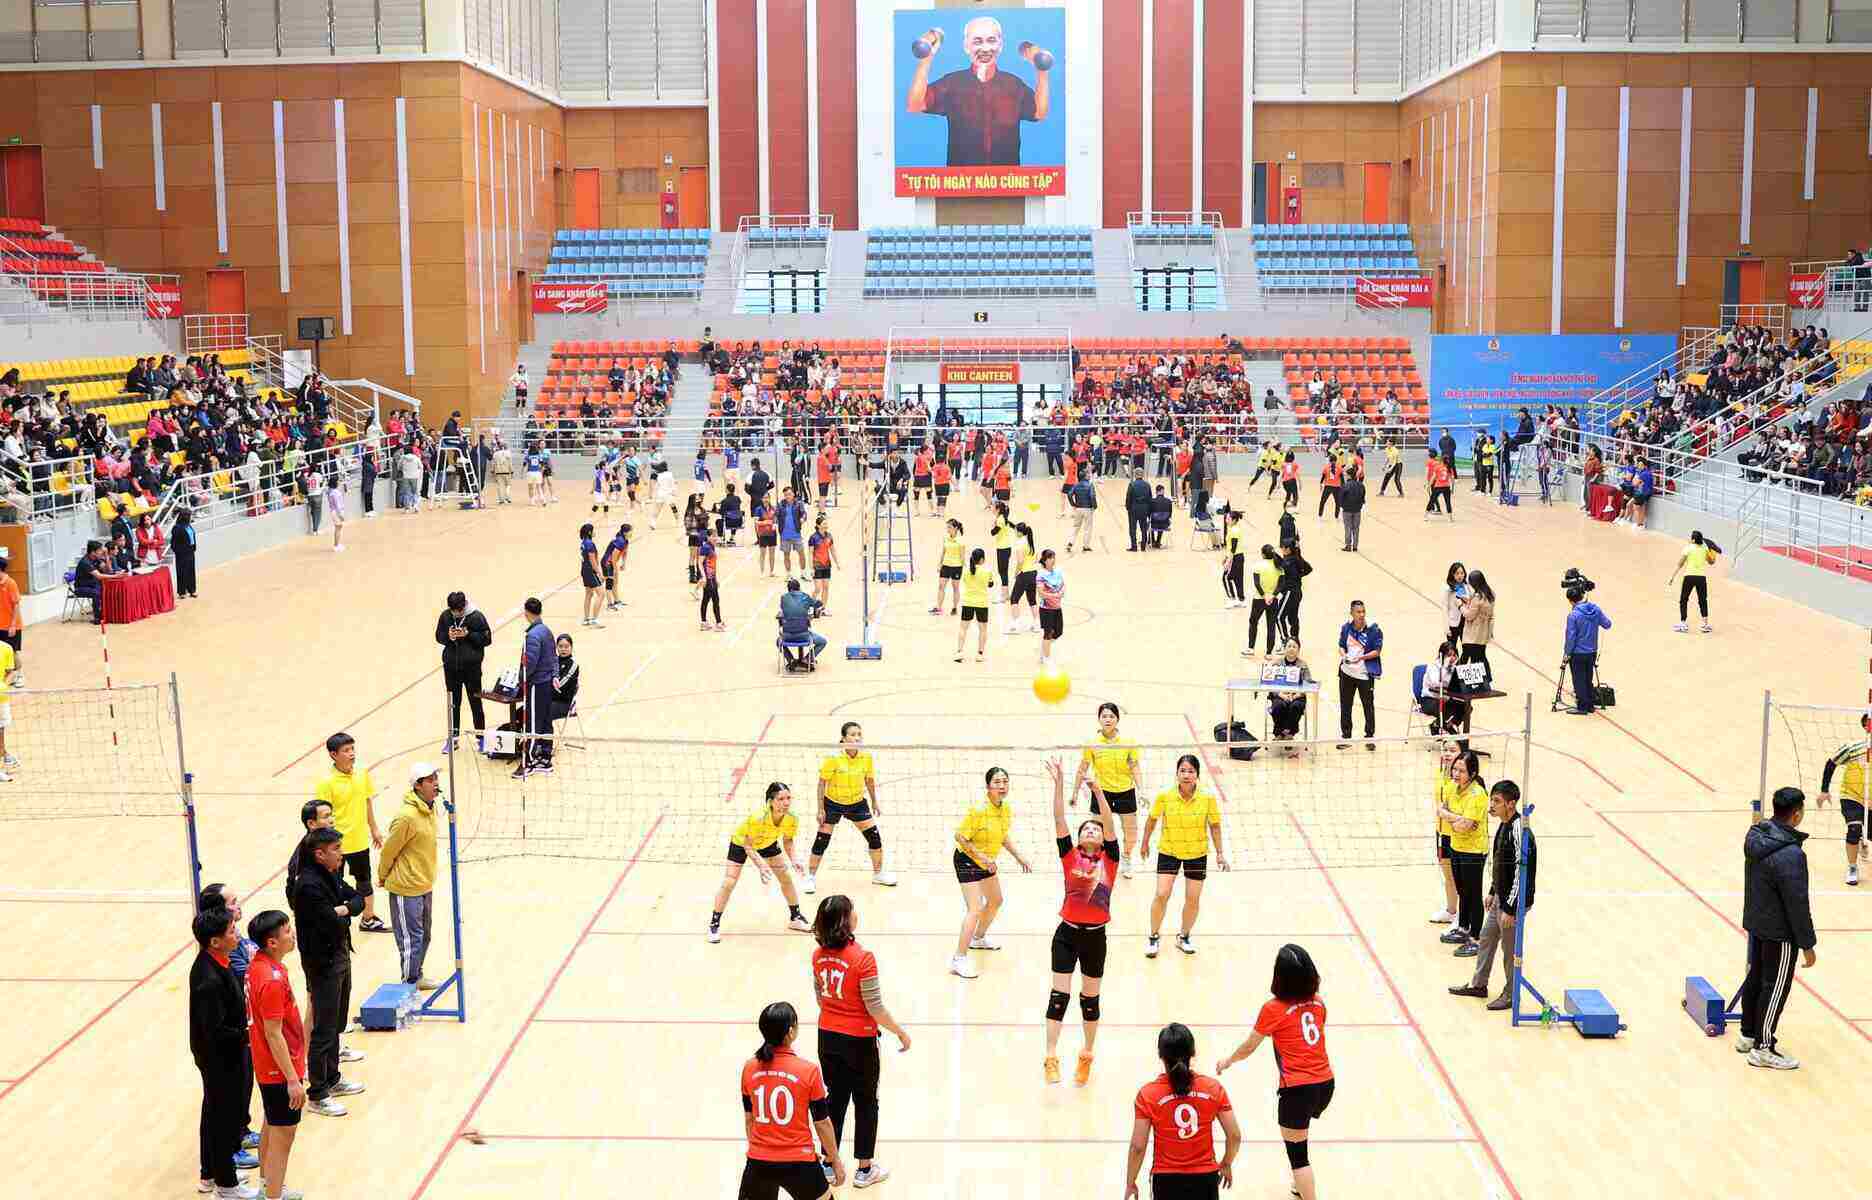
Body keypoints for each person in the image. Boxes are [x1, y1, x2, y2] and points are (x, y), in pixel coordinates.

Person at [1215, 945, 1335, 1200]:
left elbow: (1249, 1046)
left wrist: (1228, 1060)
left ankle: (1306, 1191)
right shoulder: (1319, 1003)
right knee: (1301, 1135)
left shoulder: (1273, 1009)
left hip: (1297, 1090)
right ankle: (1300, 1185)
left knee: (1298, 1155)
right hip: (1325, 1085)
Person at [810, 895, 911, 1190]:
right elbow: (875, 1007)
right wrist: (900, 1032)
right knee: (866, 1102)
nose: (857, 914)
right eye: (853, 911)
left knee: (835, 1098)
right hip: (860, 1042)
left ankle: (829, 1164)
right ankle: (864, 1169)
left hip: (827, 1037)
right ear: (846, 920)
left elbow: (820, 997)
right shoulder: (863, 958)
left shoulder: (818, 956)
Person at [1041, 757, 1113, 1085]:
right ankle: (1051, 1057)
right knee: (1059, 997)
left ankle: (1086, 1055)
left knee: (1089, 1000)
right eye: (1086, 828)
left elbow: (1110, 824)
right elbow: (1058, 818)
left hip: (1096, 937)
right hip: (1066, 935)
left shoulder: (1110, 860)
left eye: (1095, 829)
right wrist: (1059, 784)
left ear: (1101, 839)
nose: (1091, 831)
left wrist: (1098, 792)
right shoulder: (1070, 856)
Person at [286, 828, 365, 1117]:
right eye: (336, 848)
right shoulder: (308, 885)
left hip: (340, 955)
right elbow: (330, 920)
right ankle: (318, 1092)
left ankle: (333, 1077)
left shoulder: (331, 875)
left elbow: (357, 899)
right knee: (323, 1027)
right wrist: (344, 911)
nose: (341, 853)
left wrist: (343, 909)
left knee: (337, 1021)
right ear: (319, 854)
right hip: (323, 964)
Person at [903, 15, 1051, 167]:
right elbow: (915, 104)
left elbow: (1039, 112)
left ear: (1000, 45)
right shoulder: (952, 83)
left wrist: (1041, 71)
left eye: (991, 40)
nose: (985, 48)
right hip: (961, 185)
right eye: (977, 41)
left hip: (1006, 185)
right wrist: (926, 60)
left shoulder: (1014, 85)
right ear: (967, 46)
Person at [1738, 786, 1817, 1070]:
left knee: (1756, 979)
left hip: (1757, 922)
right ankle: (1763, 1047)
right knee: (1775, 988)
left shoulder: (1756, 835)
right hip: (1780, 932)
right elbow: (1797, 903)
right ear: (1796, 815)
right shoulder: (1791, 855)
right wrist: (1807, 944)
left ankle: (1748, 1034)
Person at [738, 1001, 845, 1200]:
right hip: (800, 1162)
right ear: (790, 1032)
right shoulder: (808, 1071)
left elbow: (749, 1120)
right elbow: (822, 1123)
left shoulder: (749, 1068)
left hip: (759, 1163)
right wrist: (835, 1160)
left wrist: (763, 1150)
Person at [1125, 1023, 1242, 1200]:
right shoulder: (1213, 1088)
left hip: (1166, 1181)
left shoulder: (1148, 1094)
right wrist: (1226, 1163)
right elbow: (1234, 1136)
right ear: (1193, 1052)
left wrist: (1130, 1181)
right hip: (1206, 1180)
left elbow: (1138, 1147)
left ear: (1160, 1055)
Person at [1450, 780, 1533, 1011]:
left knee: (1509, 951)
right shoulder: (1503, 825)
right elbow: (1501, 866)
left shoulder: (1519, 831)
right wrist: (1493, 891)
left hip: (1512, 904)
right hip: (1501, 898)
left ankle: (1510, 994)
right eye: (1492, 800)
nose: (1492, 805)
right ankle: (1478, 985)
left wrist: (1509, 908)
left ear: (1511, 803)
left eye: (1497, 801)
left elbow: (1520, 871)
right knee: (1486, 938)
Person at [190, 905, 255, 1200]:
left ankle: (218, 1170)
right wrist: (248, 1035)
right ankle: (226, 1185)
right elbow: (214, 1031)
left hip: (230, 1051)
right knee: (222, 1118)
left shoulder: (219, 961)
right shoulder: (208, 979)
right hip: (220, 1057)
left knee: (225, 1115)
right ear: (214, 941)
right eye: (231, 931)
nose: (237, 934)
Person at [1139, 754, 1229, 958]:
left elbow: (1214, 826)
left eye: (1190, 771)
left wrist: (1220, 853)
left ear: (1197, 775)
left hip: (1197, 854)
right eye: (1183, 771)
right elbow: (1152, 821)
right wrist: (1144, 843)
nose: (1186, 775)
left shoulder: (1207, 798)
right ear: (1177, 773)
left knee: (1193, 899)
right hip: (1169, 851)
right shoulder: (1165, 795)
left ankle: (1184, 936)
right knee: (1162, 894)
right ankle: (1153, 936)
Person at [950, 765, 1035, 979]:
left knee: (996, 900)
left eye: (1005, 781)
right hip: (967, 860)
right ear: (988, 786)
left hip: (987, 863)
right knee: (975, 909)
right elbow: (960, 837)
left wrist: (1019, 856)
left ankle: (978, 938)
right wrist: (983, 858)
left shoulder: (1005, 809)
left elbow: (1002, 836)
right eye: (997, 782)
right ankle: (959, 958)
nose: (1002, 785)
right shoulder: (978, 810)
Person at [245, 911, 306, 1200]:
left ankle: (266, 1187)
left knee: (271, 1123)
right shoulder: (270, 979)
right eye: (285, 932)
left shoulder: (259, 966)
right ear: (271, 942)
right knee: (284, 1134)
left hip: (269, 1066)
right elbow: (273, 1032)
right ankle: (273, 1195)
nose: (291, 934)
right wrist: (292, 1079)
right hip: (279, 1069)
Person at [708, 781, 811, 942]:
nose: (786, 802)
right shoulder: (758, 818)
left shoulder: (792, 819)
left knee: (786, 877)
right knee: (729, 882)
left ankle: (795, 918)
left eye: (788, 798)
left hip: (767, 843)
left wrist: (794, 860)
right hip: (742, 843)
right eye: (781, 799)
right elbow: (748, 847)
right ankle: (714, 924)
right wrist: (762, 866)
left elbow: (788, 841)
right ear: (771, 801)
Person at [805, 722, 897, 893]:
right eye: (853, 734)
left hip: (857, 803)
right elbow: (821, 783)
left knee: (874, 838)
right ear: (843, 738)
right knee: (821, 841)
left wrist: (874, 801)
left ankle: (878, 874)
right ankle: (810, 877)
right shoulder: (833, 758)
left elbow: (869, 780)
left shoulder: (866, 757)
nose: (857, 738)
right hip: (833, 803)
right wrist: (820, 809)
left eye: (859, 734)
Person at [313, 732, 387, 933]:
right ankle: (334, 922)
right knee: (333, 885)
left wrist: (374, 829)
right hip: (335, 846)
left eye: (352, 749)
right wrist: (327, 844)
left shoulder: (362, 773)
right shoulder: (326, 782)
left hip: (360, 841)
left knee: (364, 882)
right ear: (333, 755)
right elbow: (321, 814)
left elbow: (367, 801)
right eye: (346, 750)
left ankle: (368, 918)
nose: (352, 754)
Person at [377, 762, 441, 989]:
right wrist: (382, 876)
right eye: (430, 780)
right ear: (418, 785)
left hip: (424, 883)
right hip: (405, 886)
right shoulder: (406, 817)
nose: (436, 783)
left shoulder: (431, 807)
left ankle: (417, 975)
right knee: (410, 940)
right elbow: (389, 850)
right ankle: (407, 985)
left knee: (425, 936)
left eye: (436, 778)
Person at [1071, 702, 1143, 878]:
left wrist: (1142, 790)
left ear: (1117, 719)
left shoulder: (1128, 742)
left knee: (1131, 834)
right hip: (1101, 793)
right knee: (1096, 833)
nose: (1108, 719)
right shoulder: (1092, 743)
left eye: (1111, 716)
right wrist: (1074, 793)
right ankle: (1094, 862)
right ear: (1099, 719)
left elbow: (1134, 766)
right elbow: (1082, 769)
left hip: (1126, 792)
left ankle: (1125, 857)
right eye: (1104, 716)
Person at [1435, 749, 1489, 957]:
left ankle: (1476, 938)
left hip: (1474, 851)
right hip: (1457, 847)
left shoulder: (1477, 795)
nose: (1456, 774)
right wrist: (1455, 817)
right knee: (1462, 890)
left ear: (1473, 774)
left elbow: (1463, 826)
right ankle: (1463, 928)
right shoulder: (1453, 788)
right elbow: (1443, 810)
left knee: (1473, 894)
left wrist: (1449, 816)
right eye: (1455, 769)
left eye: (1462, 771)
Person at [1817, 711, 1870, 886]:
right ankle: (1853, 867)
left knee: (1867, 832)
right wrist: (1824, 790)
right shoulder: (1853, 748)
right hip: (1852, 796)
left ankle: (1864, 838)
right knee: (1854, 828)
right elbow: (1831, 763)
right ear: (1866, 726)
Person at [436, 591, 492, 754]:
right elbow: (438, 636)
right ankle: (453, 739)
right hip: (451, 667)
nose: (455, 613)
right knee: (453, 703)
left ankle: (481, 738)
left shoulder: (476, 616)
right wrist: (449, 636)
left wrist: (469, 635)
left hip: (472, 668)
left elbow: (487, 639)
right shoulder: (445, 616)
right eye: (453, 611)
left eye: (458, 610)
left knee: (476, 703)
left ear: (464, 606)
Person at [517, 597, 557, 777]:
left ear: (526, 613)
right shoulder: (547, 631)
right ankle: (545, 756)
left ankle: (529, 761)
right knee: (546, 721)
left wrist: (522, 680)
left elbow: (529, 663)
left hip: (536, 684)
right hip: (547, 682)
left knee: (532, 722)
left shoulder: (532, 635)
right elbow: (554, 656)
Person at [1335, 600, 1382, 749]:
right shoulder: (1346, 628)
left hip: (1364, 675)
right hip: (1346, 673)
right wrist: (1344, 656)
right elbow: (1341, 646)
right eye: (1358, 612)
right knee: (1345, 705)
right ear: (1352, 613)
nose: (1361, 615)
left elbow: (1377, 651)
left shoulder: (1373, 629)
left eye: (1363, 611)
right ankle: (1346, 736)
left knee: (1368, 706)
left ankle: (1369, 737)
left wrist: (1360, 658)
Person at [1562, 586, 1612, 715]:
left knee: (1579, 680)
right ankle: (1590, 705)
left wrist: (1567, 653)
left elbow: (1571, 637)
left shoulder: (1573, 615)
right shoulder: (1595, 609)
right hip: (1592, 652)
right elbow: (1607, 624)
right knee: (1588, 678)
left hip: (1578, 653)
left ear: (1571, 601)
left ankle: (1582, 707)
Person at [1419, 639, 1474, 744]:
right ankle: (1451, 732)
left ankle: (1439, 725)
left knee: (1467, 708)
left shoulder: (1454, 668)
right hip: (1429, 700)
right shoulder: (1433, 667)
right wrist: (1445, 667)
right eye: (1449, 655)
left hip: (1445, 698)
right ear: (1442, 655)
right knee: (1445, 709)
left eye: (1454, 655)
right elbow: (1436, 683)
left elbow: (1455, 684)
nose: (1452, 658)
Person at [1666, 530, 1720, 634]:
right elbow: (1711, 562)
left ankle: (1683, 623)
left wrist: (1672, 576)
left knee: (1683, 599)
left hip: (1689, 577)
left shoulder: (1688, 548)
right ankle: (1705, 625)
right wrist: (1713, 552)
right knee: (1702, 600)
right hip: (1701, 578)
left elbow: (1680, 563)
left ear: (1693, 539)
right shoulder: (1704, 548)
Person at [777, 577, 827, 671]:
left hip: (787, 635)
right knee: (822, 641)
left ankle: (791, 660)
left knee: (778, 642)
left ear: (788, 589)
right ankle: (807, 659)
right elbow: (818, 604)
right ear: (799, 588)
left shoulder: (783, 598)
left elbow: (784, 610)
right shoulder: (805, 597)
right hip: (803, 635)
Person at [955, 547, 993, 663]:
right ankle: (979, 654)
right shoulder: (987, 572)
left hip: (968, 602)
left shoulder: (966, 571)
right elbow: (990, 584)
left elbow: (966, 582)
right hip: (982, 603)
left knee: (963, 628)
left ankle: (959, 652)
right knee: (982, 630)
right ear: (982, 559)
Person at [1459, 571, 1496, 688]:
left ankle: (1460, 683)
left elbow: (1470, 615)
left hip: (1472, 634)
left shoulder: (1477, 597)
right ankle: (1485, 682)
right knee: (1480, 657)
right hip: (1483, 633)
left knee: (1466, 658)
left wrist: (1461, 606)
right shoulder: (1490, 595)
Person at [1274, 541, 1310, 647]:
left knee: (1279, 617)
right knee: (1293, 617)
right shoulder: (1297, 558)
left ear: (1288, 549)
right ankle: (1295, 640)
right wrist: (1300, 575)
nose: (1281, 550)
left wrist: (1279, 591)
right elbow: (1308, 569)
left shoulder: (1288, 561)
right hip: (1297, 592)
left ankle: (1285, 641)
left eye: (1283, 548)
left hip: (1290, 592)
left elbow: (1285, 568)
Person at [1036, 549, 1066, 666]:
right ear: (1044, 560)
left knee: (1058, 631)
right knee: (1048, 633)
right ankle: (1046, 657)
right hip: (1046, 609)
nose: (1052, 560)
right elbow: (1041, 593)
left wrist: (1061, 592)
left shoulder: (1058, 571)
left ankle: (1044, 648)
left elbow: (1063, 585)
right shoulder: (1041, 575)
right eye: (1050, 558)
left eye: (1053, 557)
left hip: (1057, 607)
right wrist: (1055, 595)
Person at [931, 519, 964, 616]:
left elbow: (962, 557)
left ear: (956, 528)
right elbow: (943, 552)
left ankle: (954, 607)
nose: (947, 529)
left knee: (955, 588)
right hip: (945, 566)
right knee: (941, 586)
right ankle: (938, 607)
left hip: (956, 567)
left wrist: (963, 568)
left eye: (949, 527)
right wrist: (939, 564)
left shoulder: (961, 541)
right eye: (947, 527)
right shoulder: (946, 538)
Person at [808, 513, 837, 613]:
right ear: (818, 525)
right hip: (817, 565)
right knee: (817, 588)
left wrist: (837, 563)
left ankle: (823, 608)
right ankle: (810, 606)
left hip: (826, 565)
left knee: (826, 587)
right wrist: (811, 568)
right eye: (824, 524)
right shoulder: (813, 538)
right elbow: (810, 553)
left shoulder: (829, 536)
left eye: (826, 523)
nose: (826, 525)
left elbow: (833, 550)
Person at [578, 523, 606, 628]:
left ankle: (586, 619)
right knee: (601, 594)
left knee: (589, 594)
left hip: (584, 571)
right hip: (590, 571)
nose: (595, 532)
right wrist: (600, 574)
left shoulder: (584, 542)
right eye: (593, 530)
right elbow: (593, 561)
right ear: (589, 532)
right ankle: (594, 619)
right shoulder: (590, 544)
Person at [777, 487, 808, 576]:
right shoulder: (781, 504)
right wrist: (775, 522)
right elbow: (776, 514)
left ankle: (803, 573)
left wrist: (803, 518)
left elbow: (804, 514)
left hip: (796, 534)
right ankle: (788, 574)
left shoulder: (799, 503)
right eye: (786, 495)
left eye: (789, 494)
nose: (788, 496)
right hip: (784, 535)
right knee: (786, 555)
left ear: (793, 494)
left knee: (801, 554)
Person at [698, 532, 724, 631]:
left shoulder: (712, 547)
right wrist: (704, 577)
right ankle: (718, 623)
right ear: (708, 537)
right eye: (713, 536)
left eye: (716, 536)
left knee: (706, 599)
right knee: (715, 600)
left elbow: (712, 564)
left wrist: (715, 578)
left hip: (712, 577)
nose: (715, 538)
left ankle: (704, 622)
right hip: (708, 578)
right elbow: (700, 563)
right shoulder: (705, 548)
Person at [172, 507, 199, 600]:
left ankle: (192, 589)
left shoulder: (189, 526)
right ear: (185, 517)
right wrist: (179, 552)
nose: (191, 517)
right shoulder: (177, 528)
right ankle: (182, 591)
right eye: (189, 516)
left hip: (190, 551)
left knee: (191, 571)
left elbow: (192, 537)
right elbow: (174, 543)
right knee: (182, 572)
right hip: (182, 553)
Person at [603, 522, 631, 609]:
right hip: (607, 562)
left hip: (613, 563)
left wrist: (623, 563)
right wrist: (615, 568)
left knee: (615, 582)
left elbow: (625, 552)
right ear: (625, 532)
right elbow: (614, 556)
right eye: (630, 531)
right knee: (610, 583)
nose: (632, 533)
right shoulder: (620, 541)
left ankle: (616, 601)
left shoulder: (626, 541)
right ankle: (610, 604)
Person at [1067, 475, 1097, 552]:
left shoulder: (1076, 485)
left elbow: (1069, 494)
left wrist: (1073, 504)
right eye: (1087, 475)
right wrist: (1094, 506)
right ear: (1085, 477)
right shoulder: (1090, 485)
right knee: (1087, 528)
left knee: (1076, 527)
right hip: (1087, 509)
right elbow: (1092, 496)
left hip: (1078, 508)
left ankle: (1070, 542)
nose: (1089, 476)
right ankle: (1086, 546)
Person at [1339, 467, 1366, 552]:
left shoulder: (1345, 485)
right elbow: (1363, 497)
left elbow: (1341, 498)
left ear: (1349, 476)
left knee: (1348, 527)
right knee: (1356, 528)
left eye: (1346, 475)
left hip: (1347, 509)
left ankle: (1348, 545)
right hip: (1357, 509)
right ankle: (1355, 546)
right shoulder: (1361, 485)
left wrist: (1342, 506)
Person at [1125, 468, 1151, 552]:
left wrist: (1128, 508)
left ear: (1135, 475)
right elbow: (1149, 498)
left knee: (1133, 529)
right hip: (1144, 509)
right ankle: (1143, 546)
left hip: (1134, 509)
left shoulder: (1131, 485)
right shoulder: (1147, 485)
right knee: (1143, 528)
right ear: (1142, 475)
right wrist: (1148, 510)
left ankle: (1134, 546)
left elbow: (1128, 498)